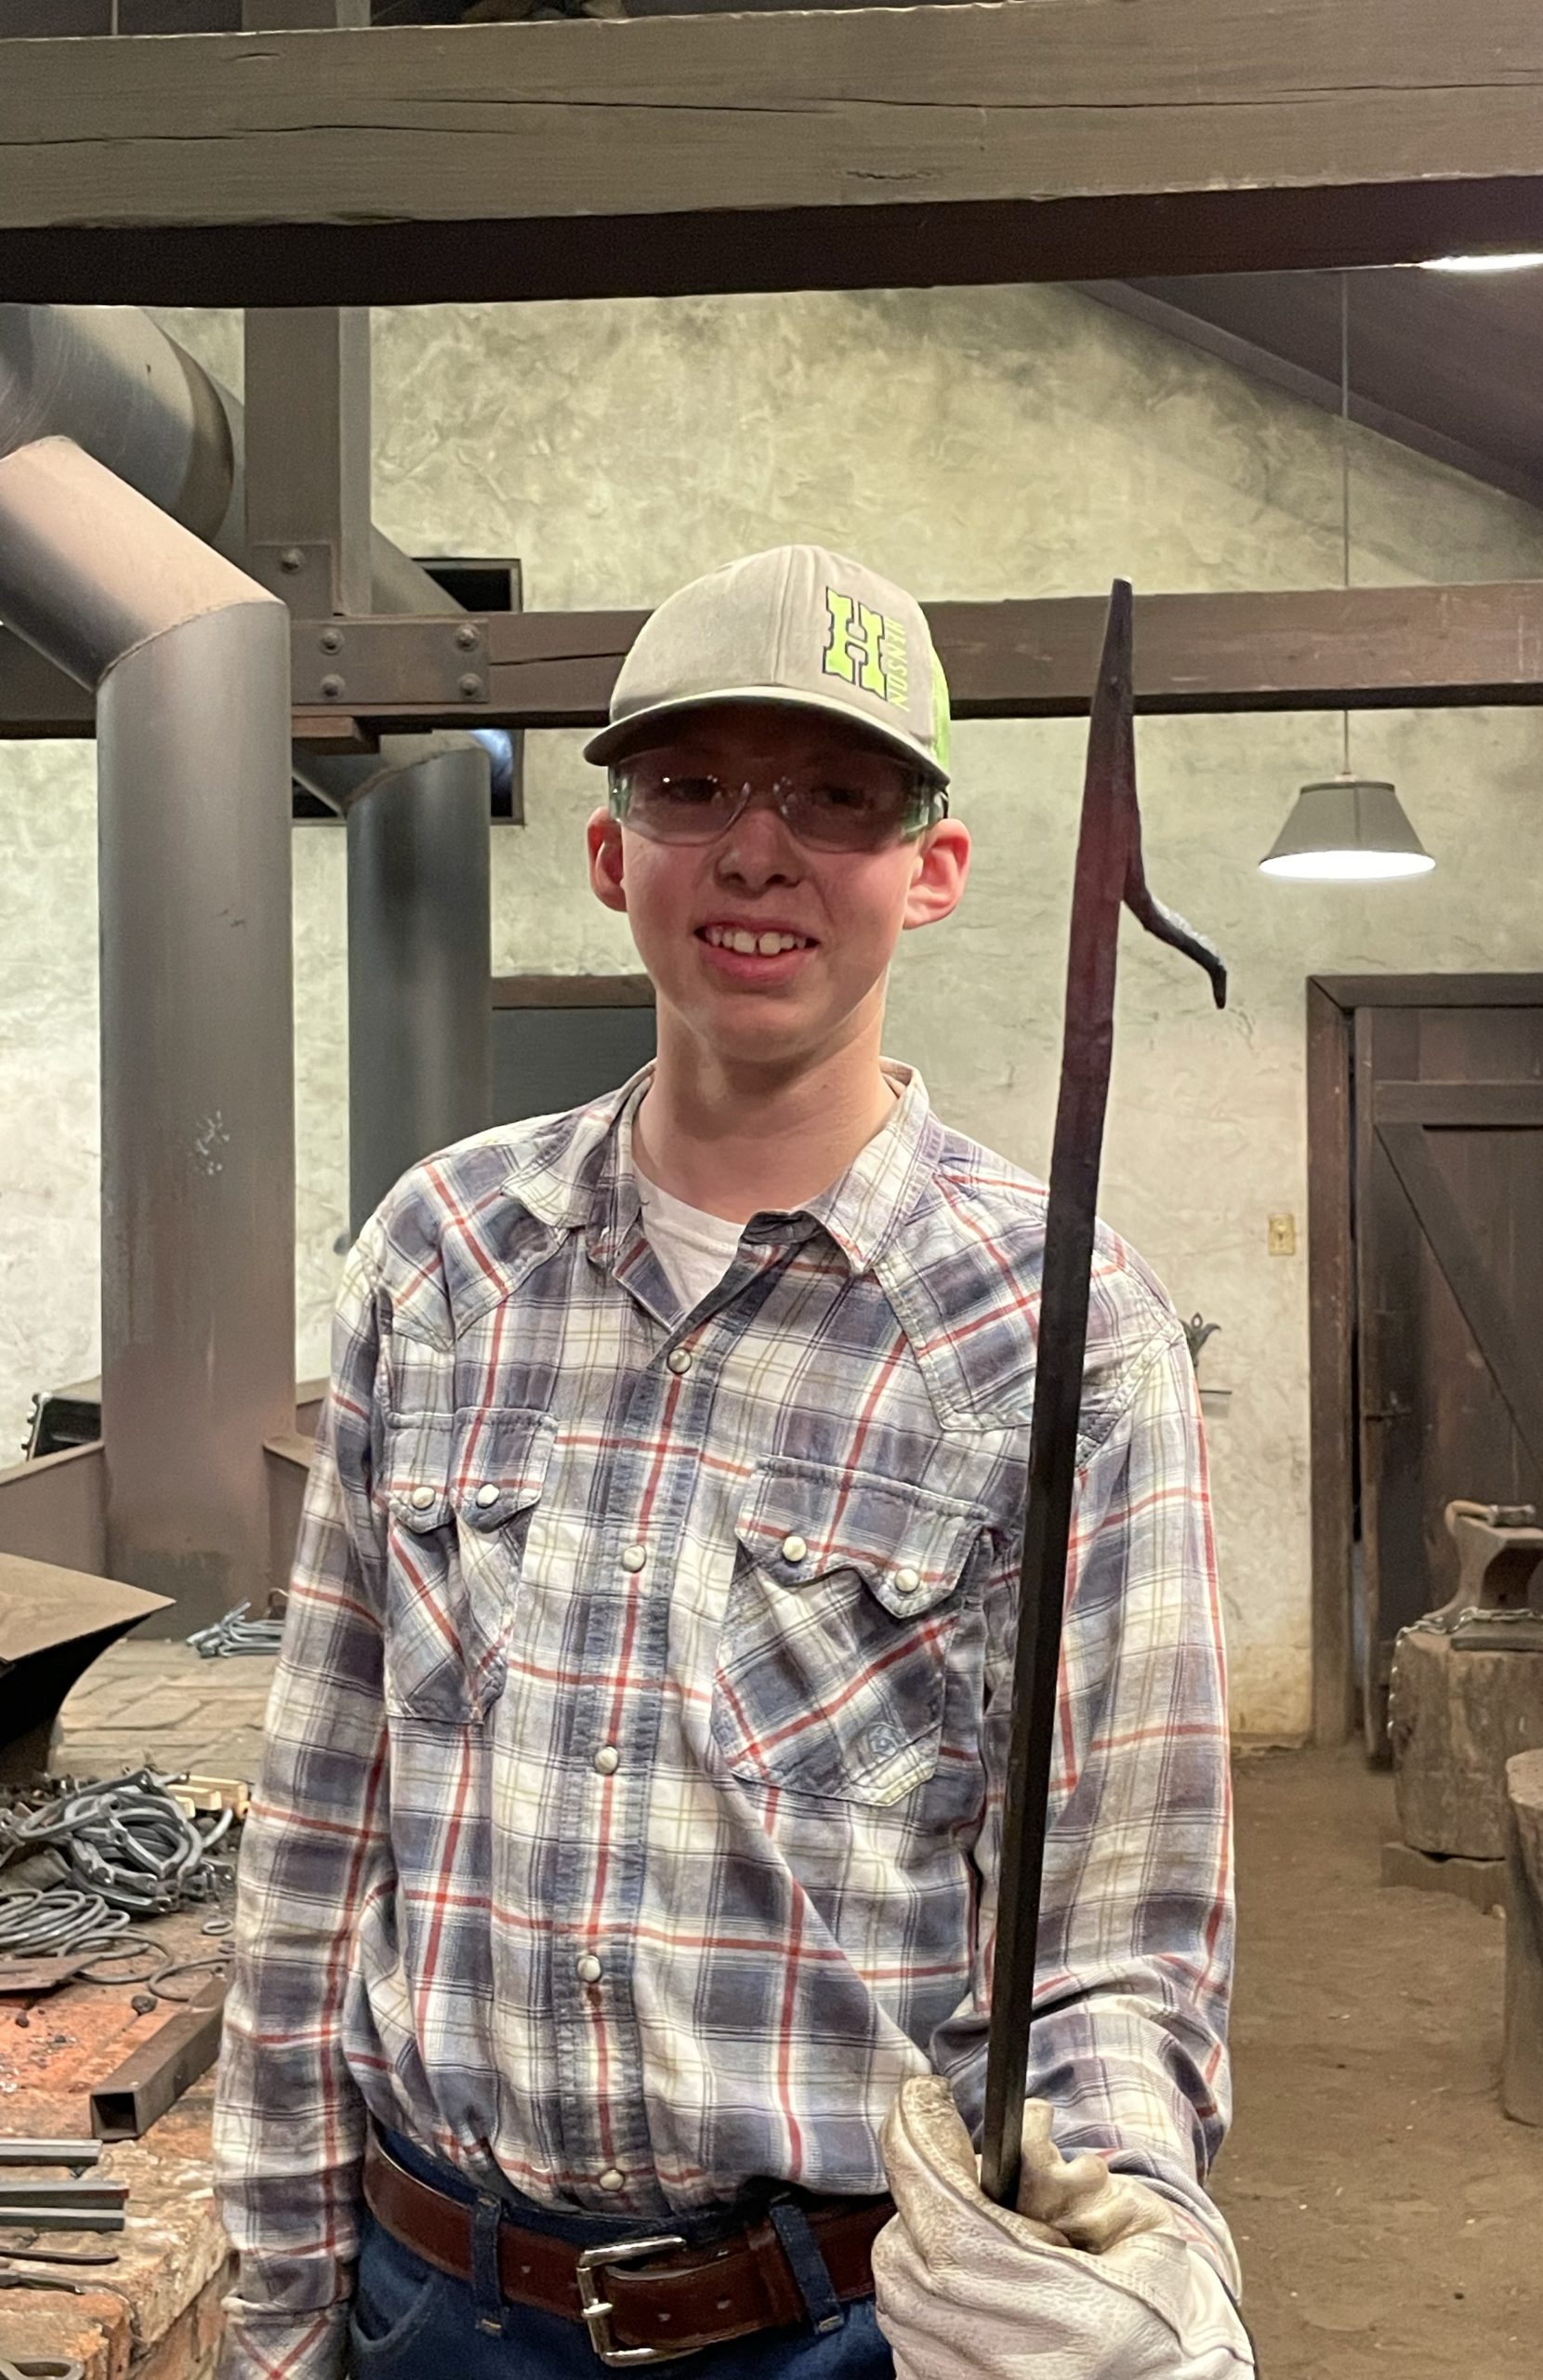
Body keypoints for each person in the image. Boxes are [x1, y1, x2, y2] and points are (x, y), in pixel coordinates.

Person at [214, 545, 1248, 2379]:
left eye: (836, 793)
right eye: (694, 787)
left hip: (842, 2327)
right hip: (435, 2297)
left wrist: (1122, 2236)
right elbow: (318, 1838)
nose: (758, 850)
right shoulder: (440, 1255)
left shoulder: (1058, 1330)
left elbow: (1116, 1942)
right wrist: (282, 2313)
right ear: (613, 851)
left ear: (929, 870)